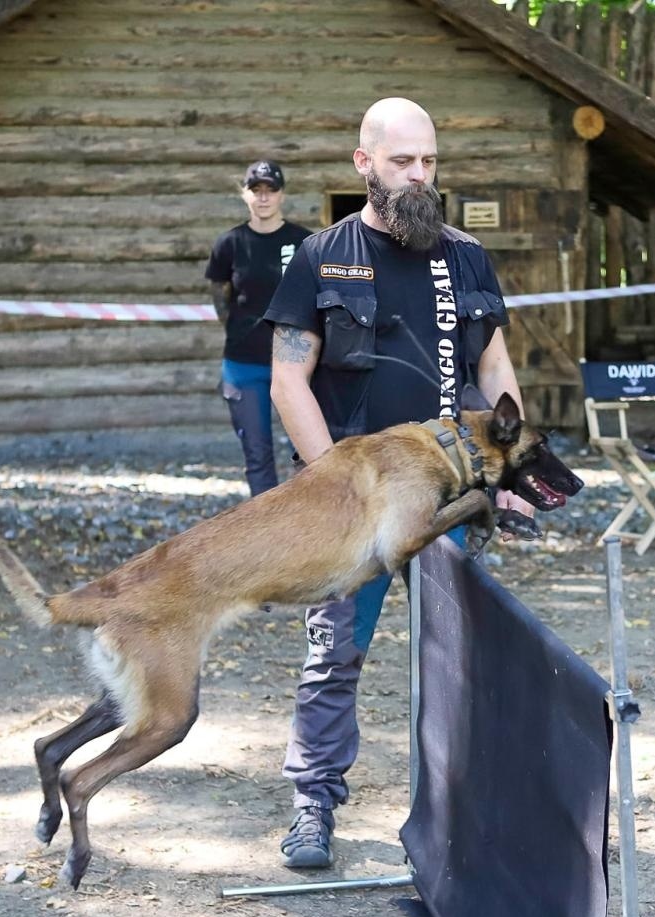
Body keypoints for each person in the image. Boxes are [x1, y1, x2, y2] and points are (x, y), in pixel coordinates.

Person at [261, 98, 535, 868]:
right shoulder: (321, 256)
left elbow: (493, 369)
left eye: (430, 162)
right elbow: (289, 382)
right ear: (364, 164)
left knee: (459, 657)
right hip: (354, 509)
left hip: (452, 500)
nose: (419, 176)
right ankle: (313, 807)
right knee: (334, 654)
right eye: (402, 161)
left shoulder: (467, 257)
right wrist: (333, 485)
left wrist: (509, 470)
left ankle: (459, 817)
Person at [205, 160, 312, 496]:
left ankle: (310, 524)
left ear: (282, 194)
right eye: (256, 190)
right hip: (244, 364)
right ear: (245, 194)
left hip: (296, 363)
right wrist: (244, 332)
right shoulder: (229, 243)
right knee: (257, 455)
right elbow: (221, 299)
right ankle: (268, 534)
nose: (264, 198)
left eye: (271, 190)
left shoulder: (304, 242)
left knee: (308, 452)